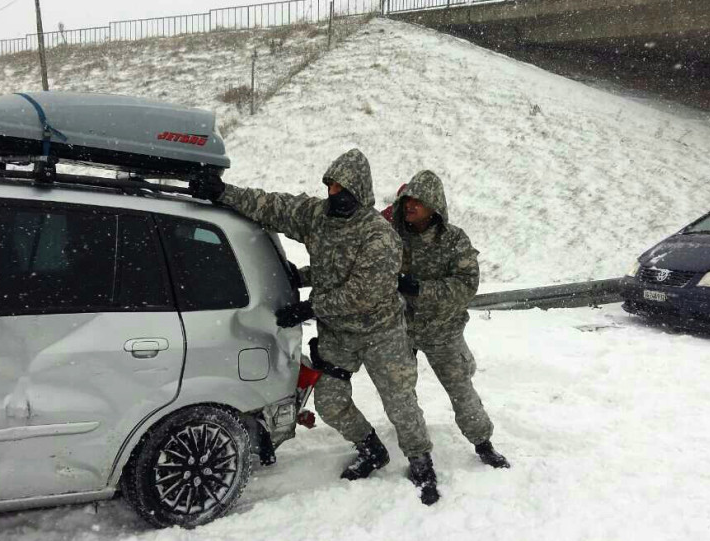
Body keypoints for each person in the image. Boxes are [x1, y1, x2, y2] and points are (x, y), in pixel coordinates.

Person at [189, 150, 440, 505]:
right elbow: (272, 206)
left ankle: (421, 460)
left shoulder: (379, 236)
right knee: (330, 402)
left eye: (342, 187)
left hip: (381, 334)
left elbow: (361, 295)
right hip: (338, 335)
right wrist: (222, 192)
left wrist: (309, 306)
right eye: (331, 185)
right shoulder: (318, 216)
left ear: (360, 190)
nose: (334, 193)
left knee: (400, 403)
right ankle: (371, 450)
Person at [391, 170, 510, 469]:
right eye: (407, 201)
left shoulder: (454, 239)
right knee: (400, 393)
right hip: (401, 328)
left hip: (443, 331)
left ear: (434, 205)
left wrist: (421, 289)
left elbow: (467, 284)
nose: (410, 206)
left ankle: (483, 443)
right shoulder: (393, 236)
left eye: (418, 201)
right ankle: (417, 453)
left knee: (461, 391)